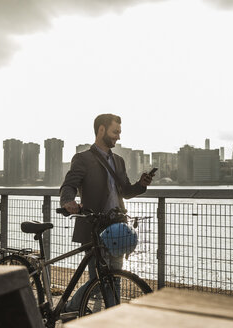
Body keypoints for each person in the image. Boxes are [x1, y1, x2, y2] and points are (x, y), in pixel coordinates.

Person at [60, 113, 152, 312]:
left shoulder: (119, 161)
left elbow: (126, 191)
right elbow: (69, 185)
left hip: (118, 227)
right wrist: (68, 201)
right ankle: (70, 308)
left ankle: (111, 318)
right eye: (115, 132)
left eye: (119, 132)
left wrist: (140, 186)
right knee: (99, 281)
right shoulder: (83, 159)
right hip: (94, 228)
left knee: (114, 279)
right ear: (101, 130)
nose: (118, 137)